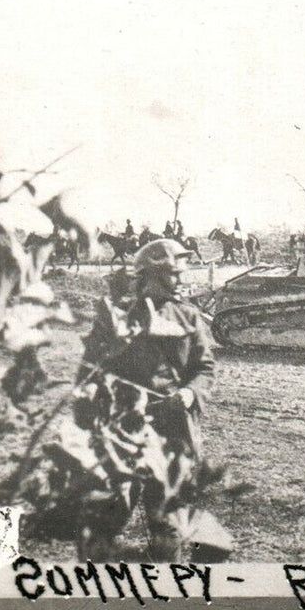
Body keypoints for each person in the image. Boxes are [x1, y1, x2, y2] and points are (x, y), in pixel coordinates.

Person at [77, 238, 216, 559]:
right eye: (172, 274)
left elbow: (205, 368)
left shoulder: (189, 317)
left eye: (181, 273)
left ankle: (164, 576)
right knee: (109, 511)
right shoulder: (118, 317)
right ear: (149, 277)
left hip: (173, 428)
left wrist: (189, 392)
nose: (180, 280)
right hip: (124, 427)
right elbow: (90, 370)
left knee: (167, 518)